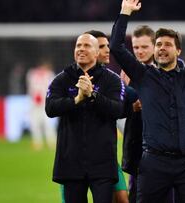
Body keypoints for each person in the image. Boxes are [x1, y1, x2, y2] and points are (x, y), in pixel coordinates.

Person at [109, 0, 185, 202]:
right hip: (154, 162)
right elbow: (117, 47)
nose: (162, 48)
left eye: (168, 44)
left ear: (178, 51)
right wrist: (124, 12)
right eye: (159, 44)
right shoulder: (143, 75)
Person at [45, 33, 125, 203]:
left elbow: (118, 109)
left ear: (97, 53)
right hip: (70, 163)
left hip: (102, 164)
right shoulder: (61, 79)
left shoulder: (112, 80)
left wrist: (92, 95)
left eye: (87, 46)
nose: (81, 49)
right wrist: (76, 100)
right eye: (78, 46)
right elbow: (50, 108)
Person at [85, 30, 129, 203]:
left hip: (106, 157)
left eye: (107, 46)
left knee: (122, 199)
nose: (107, 50)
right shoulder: (71, 79)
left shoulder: (113, 80)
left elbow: (121, 107)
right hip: (75, 158)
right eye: (102, 46)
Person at [120, 25, 155, 203]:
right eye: (136, 47)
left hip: (163, 149)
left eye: (144, 47)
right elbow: (120, 111)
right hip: (137, 147)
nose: (139, 51)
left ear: (155, 46)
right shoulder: (126, 74)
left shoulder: (168, 70)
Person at [26, 61, 56, 150]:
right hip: (34, 103)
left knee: (48, 123)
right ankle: (37, 142)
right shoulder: (32, 74)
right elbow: (30, 87)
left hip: (45, 103)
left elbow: (52, 88)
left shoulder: (50, 75)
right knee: (34, 123)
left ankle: (52, 141)